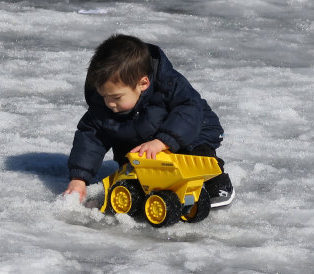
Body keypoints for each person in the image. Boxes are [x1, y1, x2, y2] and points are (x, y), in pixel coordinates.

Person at [63, 34, 235, 208]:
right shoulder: (104, 106)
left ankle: (216, 182)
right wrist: (79, 179)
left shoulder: (168, 84)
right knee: (134, 167)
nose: (109, 103)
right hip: (143, 140)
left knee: (195, 152)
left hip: (194, 129)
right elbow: (91, 137)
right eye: (104, 96)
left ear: (143, 83)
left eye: (116, 97)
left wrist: (162, 142)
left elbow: (189, 110)